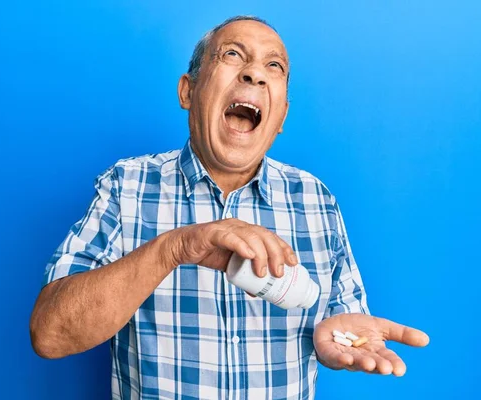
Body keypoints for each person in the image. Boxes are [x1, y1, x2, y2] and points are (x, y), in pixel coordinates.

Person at [30, 15, 429, 399]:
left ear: (281, 117)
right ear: (188, 90)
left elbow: (346, 322)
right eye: (233, 55)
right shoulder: (127, 185)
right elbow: (49, 334)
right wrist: (175, 248)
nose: (254, 73)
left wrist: (338, 332)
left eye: (273, 65)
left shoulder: (316, 199)